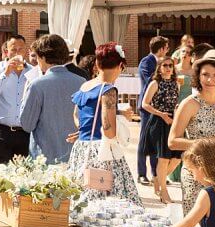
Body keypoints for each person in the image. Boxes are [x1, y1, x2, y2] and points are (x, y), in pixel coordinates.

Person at [66, 43, 142, 210]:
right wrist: (122, 119)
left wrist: (84, 132)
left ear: (97, 64)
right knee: (110, 202)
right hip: (102, 151)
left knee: (82, 194)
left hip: (82, 148)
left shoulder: (85, 86)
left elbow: (76, 115)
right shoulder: (108, 90)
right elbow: (108, 130)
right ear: (121, 66)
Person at [169, 50, 215, 212]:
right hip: (196, 174)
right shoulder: (189, 104)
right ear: (198, 76)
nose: (210, 80)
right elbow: (172, 142)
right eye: (205, 74)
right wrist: (212, 142)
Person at [0, 34, 32, 208]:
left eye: (20, 49)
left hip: (24, 133)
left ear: (26, 50)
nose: (17, 53)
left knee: (22, 182)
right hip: (1, 132)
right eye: (13, 49)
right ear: (6, 51)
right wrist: (6, 73)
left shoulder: (32, 72)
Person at [19, 34, 84, 165]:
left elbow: (26, 124)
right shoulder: (82, 82)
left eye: (37, 57)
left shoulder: (37, 85)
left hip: (44, 157)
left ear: (43, 57)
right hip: (75, 156)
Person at [140, 53, 181, 204]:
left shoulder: (176, 83)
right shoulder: (154, 83)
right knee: (163, 159)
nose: (168, 68)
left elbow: (175, 103)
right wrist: (161, 114)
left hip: (172, 121)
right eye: (165, 65)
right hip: (158, 122)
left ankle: (157, 178)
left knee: (177, 158)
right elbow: (144, 104)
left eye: (171, 65)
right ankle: (164, 192)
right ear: (159, 68)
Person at [136, 36, 170, 185]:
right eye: (167, 47)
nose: (167, 50)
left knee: (157, 141)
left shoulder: (162, 63)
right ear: (161, 48)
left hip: (160, 107)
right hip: (147, 106)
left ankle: (156, 173)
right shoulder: (146, 61)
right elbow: (150, 80)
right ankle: (141, 174)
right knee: (144, 141)